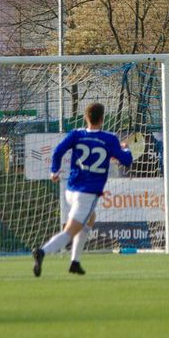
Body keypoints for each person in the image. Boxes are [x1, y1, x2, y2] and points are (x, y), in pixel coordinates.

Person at [32, 103, 132, 277]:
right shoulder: (109, 139)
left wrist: (54, 170)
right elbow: (126, 160)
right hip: (87, 193)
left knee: (90, 219)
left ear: (85, 118)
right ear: (102, 119)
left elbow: (57, 151)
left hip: (71, 190)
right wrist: (126, 148)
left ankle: (75, 262)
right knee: (70, 231)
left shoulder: (76, 134)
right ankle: (42, 251)